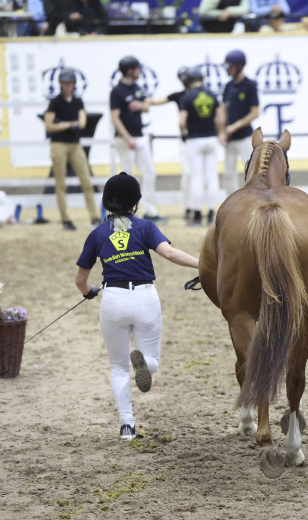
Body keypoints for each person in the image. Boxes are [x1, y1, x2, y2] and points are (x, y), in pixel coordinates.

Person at [75, 172, 199, 441]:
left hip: (113, 299)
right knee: (152, 359)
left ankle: (127, 427)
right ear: (135, 203)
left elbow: (80, 280)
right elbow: (169, 253)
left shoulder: (97, 234)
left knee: (118, 366)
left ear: (107, 203)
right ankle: (146, 364)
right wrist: (203, 264)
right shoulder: (145, 227)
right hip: (144, 296)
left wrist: (88, 293)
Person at [110, 55, 170, 222]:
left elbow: (146, 107)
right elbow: (115, 117)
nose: (140, 71)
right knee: (127, 176)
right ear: (129, 70)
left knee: (150, 172)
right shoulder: (117, 91)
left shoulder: (137, 87)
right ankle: (124, 211)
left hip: (140, 137)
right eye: (137, 68)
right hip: (125, 139)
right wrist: (127, 137)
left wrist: (140, 105)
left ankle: (150, 210)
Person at [44, 68, 100, 231]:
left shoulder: (78, 102)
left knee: (86, 181)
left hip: (75, 144)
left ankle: (94, 216)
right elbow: (49, 125)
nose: (67, 86)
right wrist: (69, 124)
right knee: (60, 183)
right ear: (61, 84)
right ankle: (65, 218)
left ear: (74, 84)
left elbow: (82, 123)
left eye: (70, 83)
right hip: (59, 145)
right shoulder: (55, 102)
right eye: (64, 83)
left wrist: (62, 124)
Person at [179, 67, 223, 226]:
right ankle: (211, 213)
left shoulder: (187, 97)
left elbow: (182, 122)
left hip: (194, 139)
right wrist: (219, 134)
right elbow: (220, 118)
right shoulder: (212, 95)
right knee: (212, 177)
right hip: (211, 138)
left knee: (196, 177)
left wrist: (183, 134)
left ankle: (197, 214)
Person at [217, 50, 259, 198]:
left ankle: (254, 199)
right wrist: (222, 131)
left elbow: (255, 112)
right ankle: (231, 202)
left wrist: (235, 126)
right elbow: (223, 109)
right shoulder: (228, 86)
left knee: (251, 171)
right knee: (228, 173)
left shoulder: (250, 85)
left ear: (239, 66)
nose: (228, 70)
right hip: (230, 138)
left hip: (245, 137)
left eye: (231, 66)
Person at [167, 67, 194, 220]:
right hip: (187, 139)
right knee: (188, 174)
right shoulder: (179, 96)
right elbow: (159, 100)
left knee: (199, 175)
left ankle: (197, 206)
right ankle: (189, 206)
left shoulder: (197, 94)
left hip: (197, 137)